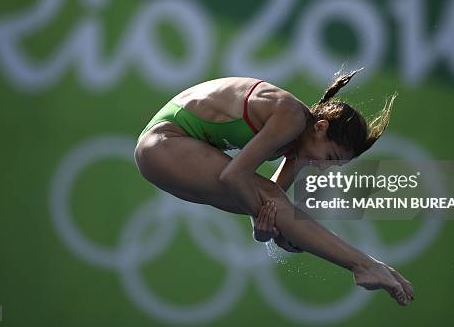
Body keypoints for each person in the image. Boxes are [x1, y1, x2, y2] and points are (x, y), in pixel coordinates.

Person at [134, 69, 413, 306]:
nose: (323, 168)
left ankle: (367, 264)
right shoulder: (291, 116)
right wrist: (275, 224)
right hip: (162, 142)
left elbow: (270, 209)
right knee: (279, 208)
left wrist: (269, 230)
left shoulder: (300, 146)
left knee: (281, 213)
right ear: (320, 127)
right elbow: (234, 176)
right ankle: (364, 264)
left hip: (164, 154)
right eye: (329, 158)